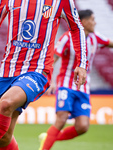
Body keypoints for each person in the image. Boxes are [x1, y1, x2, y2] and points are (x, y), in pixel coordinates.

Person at [0, 0, 88, 149]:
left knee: (6, 103)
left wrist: (82, 63)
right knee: (4, 136)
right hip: (8, 70)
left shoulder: (61, 1)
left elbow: (77, 28)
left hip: (38, 70)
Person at [38, 9, 113, 150]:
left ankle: (48, 137)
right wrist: (50, 80)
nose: (95, 22)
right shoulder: (67, 38)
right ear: (84, 22)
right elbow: (53, 58)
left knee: (83, 126)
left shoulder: (95, 38)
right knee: (61, 119)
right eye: (92, 19)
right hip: (66, 85)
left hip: (83, 87)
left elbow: (110, 43)